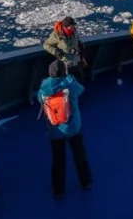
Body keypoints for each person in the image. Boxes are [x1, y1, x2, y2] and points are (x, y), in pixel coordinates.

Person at [38, 60, 93, 199]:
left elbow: (40, 100)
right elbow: (81, 89)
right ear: (64, 72)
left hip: (54, 131)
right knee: (79, 156)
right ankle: (86, 182)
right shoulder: (69, 85)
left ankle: (58, 191)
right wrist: (69, 77)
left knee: (58, 161)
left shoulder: (43, 89)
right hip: (72, 129)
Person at [44, 16, 88, 82]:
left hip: (76, 60)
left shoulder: (74, 32)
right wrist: (56, 52)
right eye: (72, 26)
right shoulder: (57, 34)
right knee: (66, 81)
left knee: (81, 78)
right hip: (65, 62)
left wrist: (80, 45)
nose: (74, 28)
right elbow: (46, 45)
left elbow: (77, 40)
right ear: (66, 27)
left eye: (74, 26)